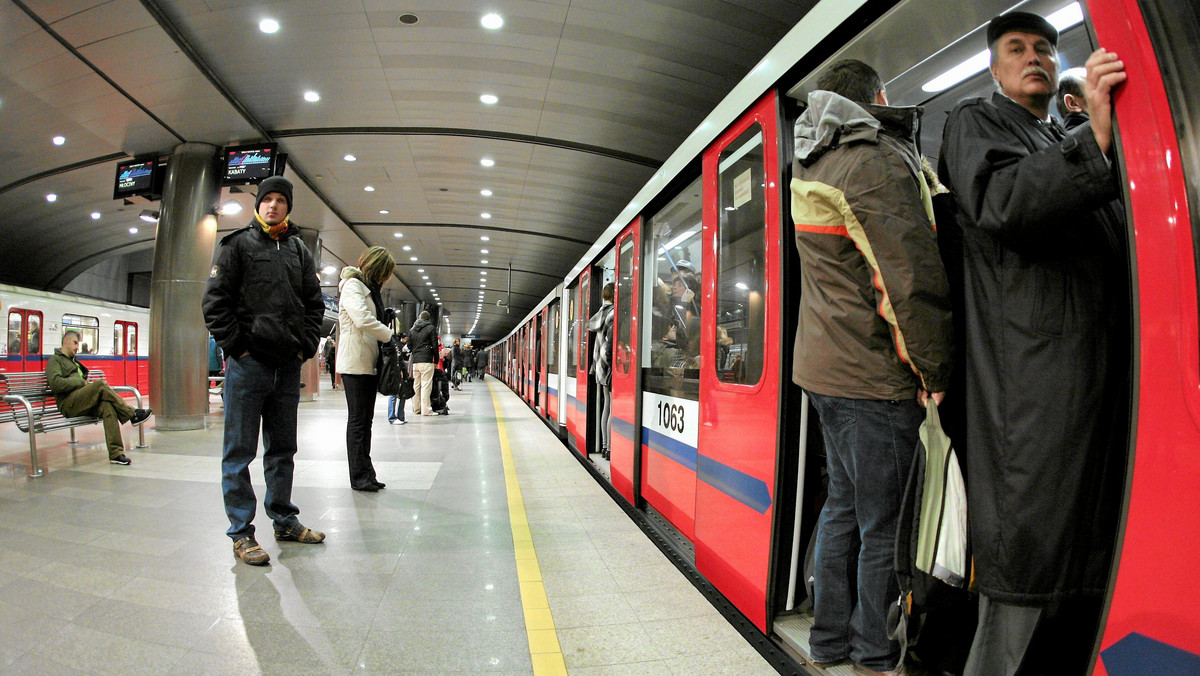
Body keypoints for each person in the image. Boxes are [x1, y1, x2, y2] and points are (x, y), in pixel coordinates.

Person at [937, 12, 1129, 674]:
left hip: (1087, 395)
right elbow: (1002, 203)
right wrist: (1094, 142)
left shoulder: (1061, 136)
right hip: (1030, 398)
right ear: (993, 66)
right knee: (1025, 577)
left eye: (1046, 47)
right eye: (1016, 49)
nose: (1035, 57)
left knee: (1072, 588)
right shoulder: (977, 125)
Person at [790, 59, 953, 675]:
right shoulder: (873, 162)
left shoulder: (811, 160)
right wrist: (933, 370)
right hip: (872, 374)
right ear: (877, 97)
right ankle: (873, 653)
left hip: (825, 371)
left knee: (844, 509)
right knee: (884, 523)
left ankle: (828, 644)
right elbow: (906, 281)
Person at [202, 175, 327, 566]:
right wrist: (238, 348)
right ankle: (241, 533)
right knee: (239, 451)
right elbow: (215, 304)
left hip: (286, 368)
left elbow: (314, 305)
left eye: (280, 200)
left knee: (282, 449)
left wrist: (304, 348)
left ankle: (284, 519)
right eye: (267, 199)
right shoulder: (237, 245)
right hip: (248, 366)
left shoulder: (298, 251)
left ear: (289, 207)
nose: (273, 206)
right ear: (257, 205)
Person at [336, 246, 396, 492]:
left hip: (367, 362)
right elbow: (361, 319)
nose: (385, 279)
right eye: (384, 273)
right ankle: (358, 477)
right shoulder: (353, 286)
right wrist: (388, 333)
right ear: (376, 268)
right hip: (355, 362)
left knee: (366, 421)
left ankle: (367, 473)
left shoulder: (369, 289)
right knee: (358, 422)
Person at [46, 330, 152, 465]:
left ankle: (116, 454)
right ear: (66, 341)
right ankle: (131, 413)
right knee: (100, 384)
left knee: (107, 407)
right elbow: (55, 384)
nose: (77, 347)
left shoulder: (74, 363)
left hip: (81, 401)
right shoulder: (55, 360)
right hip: (68, 403)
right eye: (75, 343)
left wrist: (85, 386)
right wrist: (81, 383)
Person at [586, 283, 615, 460]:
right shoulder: (613, 314)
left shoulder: (601, 313)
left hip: (599, 367)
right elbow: (608, 348)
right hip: (608, 367)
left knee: (606, 407)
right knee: (611, 407)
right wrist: (613, 366)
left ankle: (605, 446)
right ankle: (610, 448)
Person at [408, 311, 438, 416]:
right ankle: (426, 410)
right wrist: (436, 360)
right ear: (428, 319)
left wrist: (416, 352)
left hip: (416, 362)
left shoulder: (412, 330)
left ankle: (416, 408)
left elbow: (409, 345)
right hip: (426, 360)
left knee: (416, 385)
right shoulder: (431, 328)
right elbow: (435, 346)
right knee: (426, 385)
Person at [388, 334, 410, 425]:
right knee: (395, 394)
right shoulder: (396, 346)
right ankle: (393, 417)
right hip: (394, 371)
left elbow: (400, 359)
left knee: (400, 394)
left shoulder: (395, 345)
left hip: (396, 371)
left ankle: (399, 416)